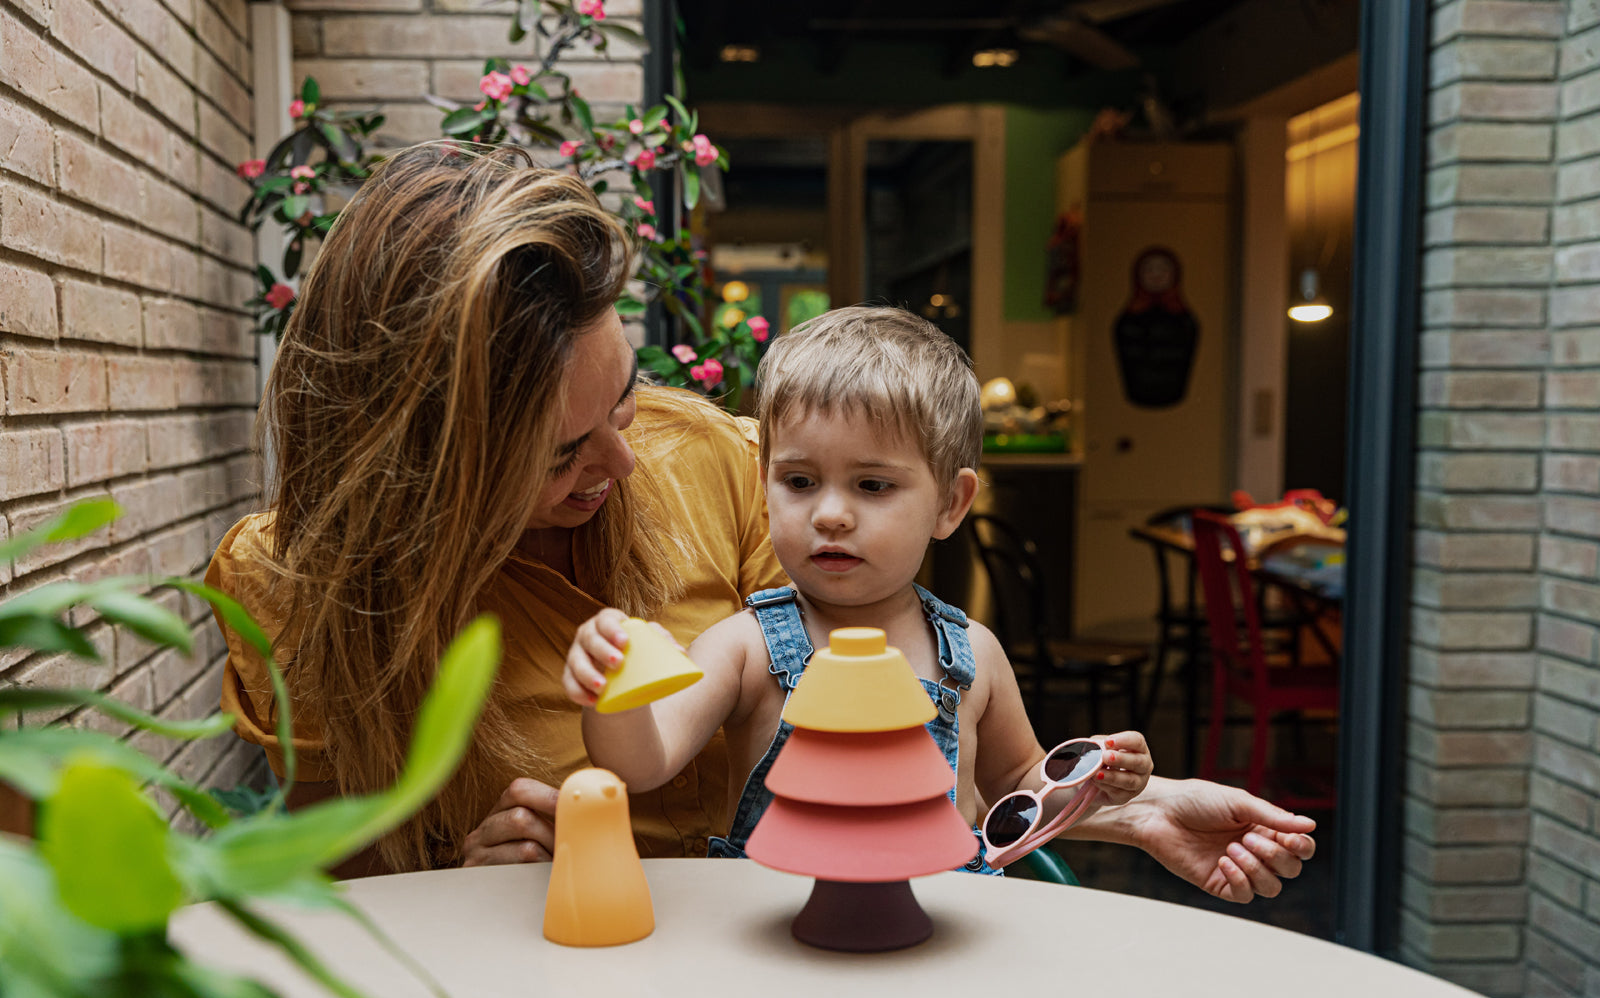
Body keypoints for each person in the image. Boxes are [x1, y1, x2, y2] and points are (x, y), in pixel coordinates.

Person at [207, 141, 1316, 902]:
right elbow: (325, 891)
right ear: (422, 471)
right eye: (558, 453)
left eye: (624, 400)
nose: (624, 459)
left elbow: (891, 733)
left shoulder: (721, 465)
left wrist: (1135, 801)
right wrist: (458, 873)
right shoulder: (296, 590)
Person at [566, 307, 1153, 872]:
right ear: (764, 485)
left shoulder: (974, 657)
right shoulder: (745, 649)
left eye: (872, 485)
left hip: (936, 947)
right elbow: (641, 764)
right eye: (799, 481)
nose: (831, 514)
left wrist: (1090, 782)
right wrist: (613, 692)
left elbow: (1018, 784)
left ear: (950, 504)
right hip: (781, 948)